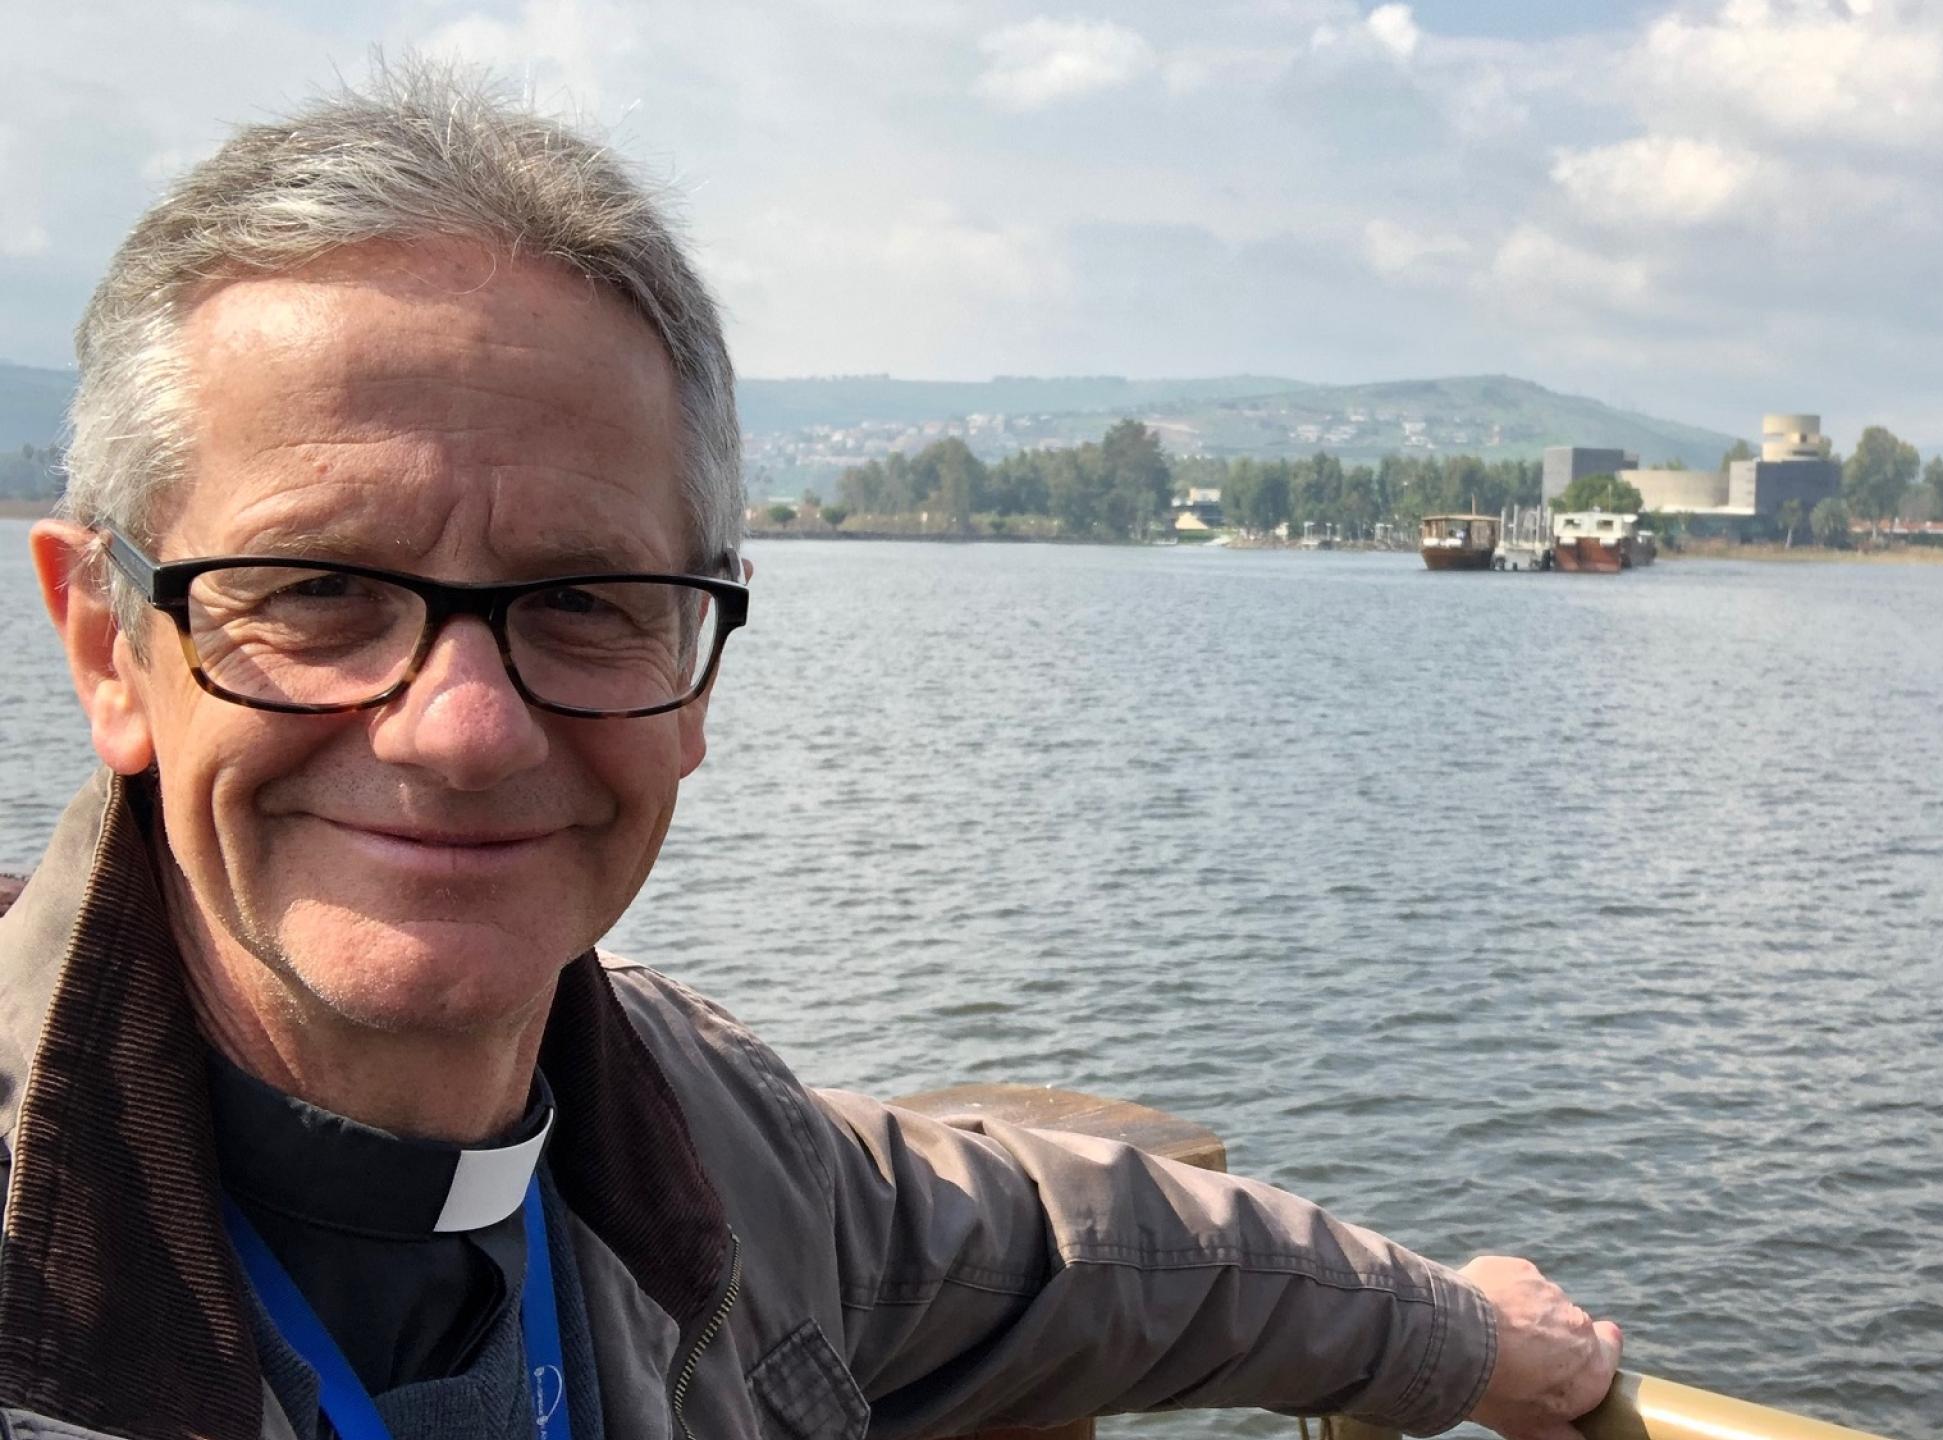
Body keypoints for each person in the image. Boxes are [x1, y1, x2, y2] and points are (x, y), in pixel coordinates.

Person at [0, 65, 1621, 1440]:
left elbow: (1097, 1251)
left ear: (698, 671)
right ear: (107, 649)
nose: (466, 728)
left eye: (585, 600)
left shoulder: (715, 1157)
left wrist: (1466, 1338)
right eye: (322, 592)